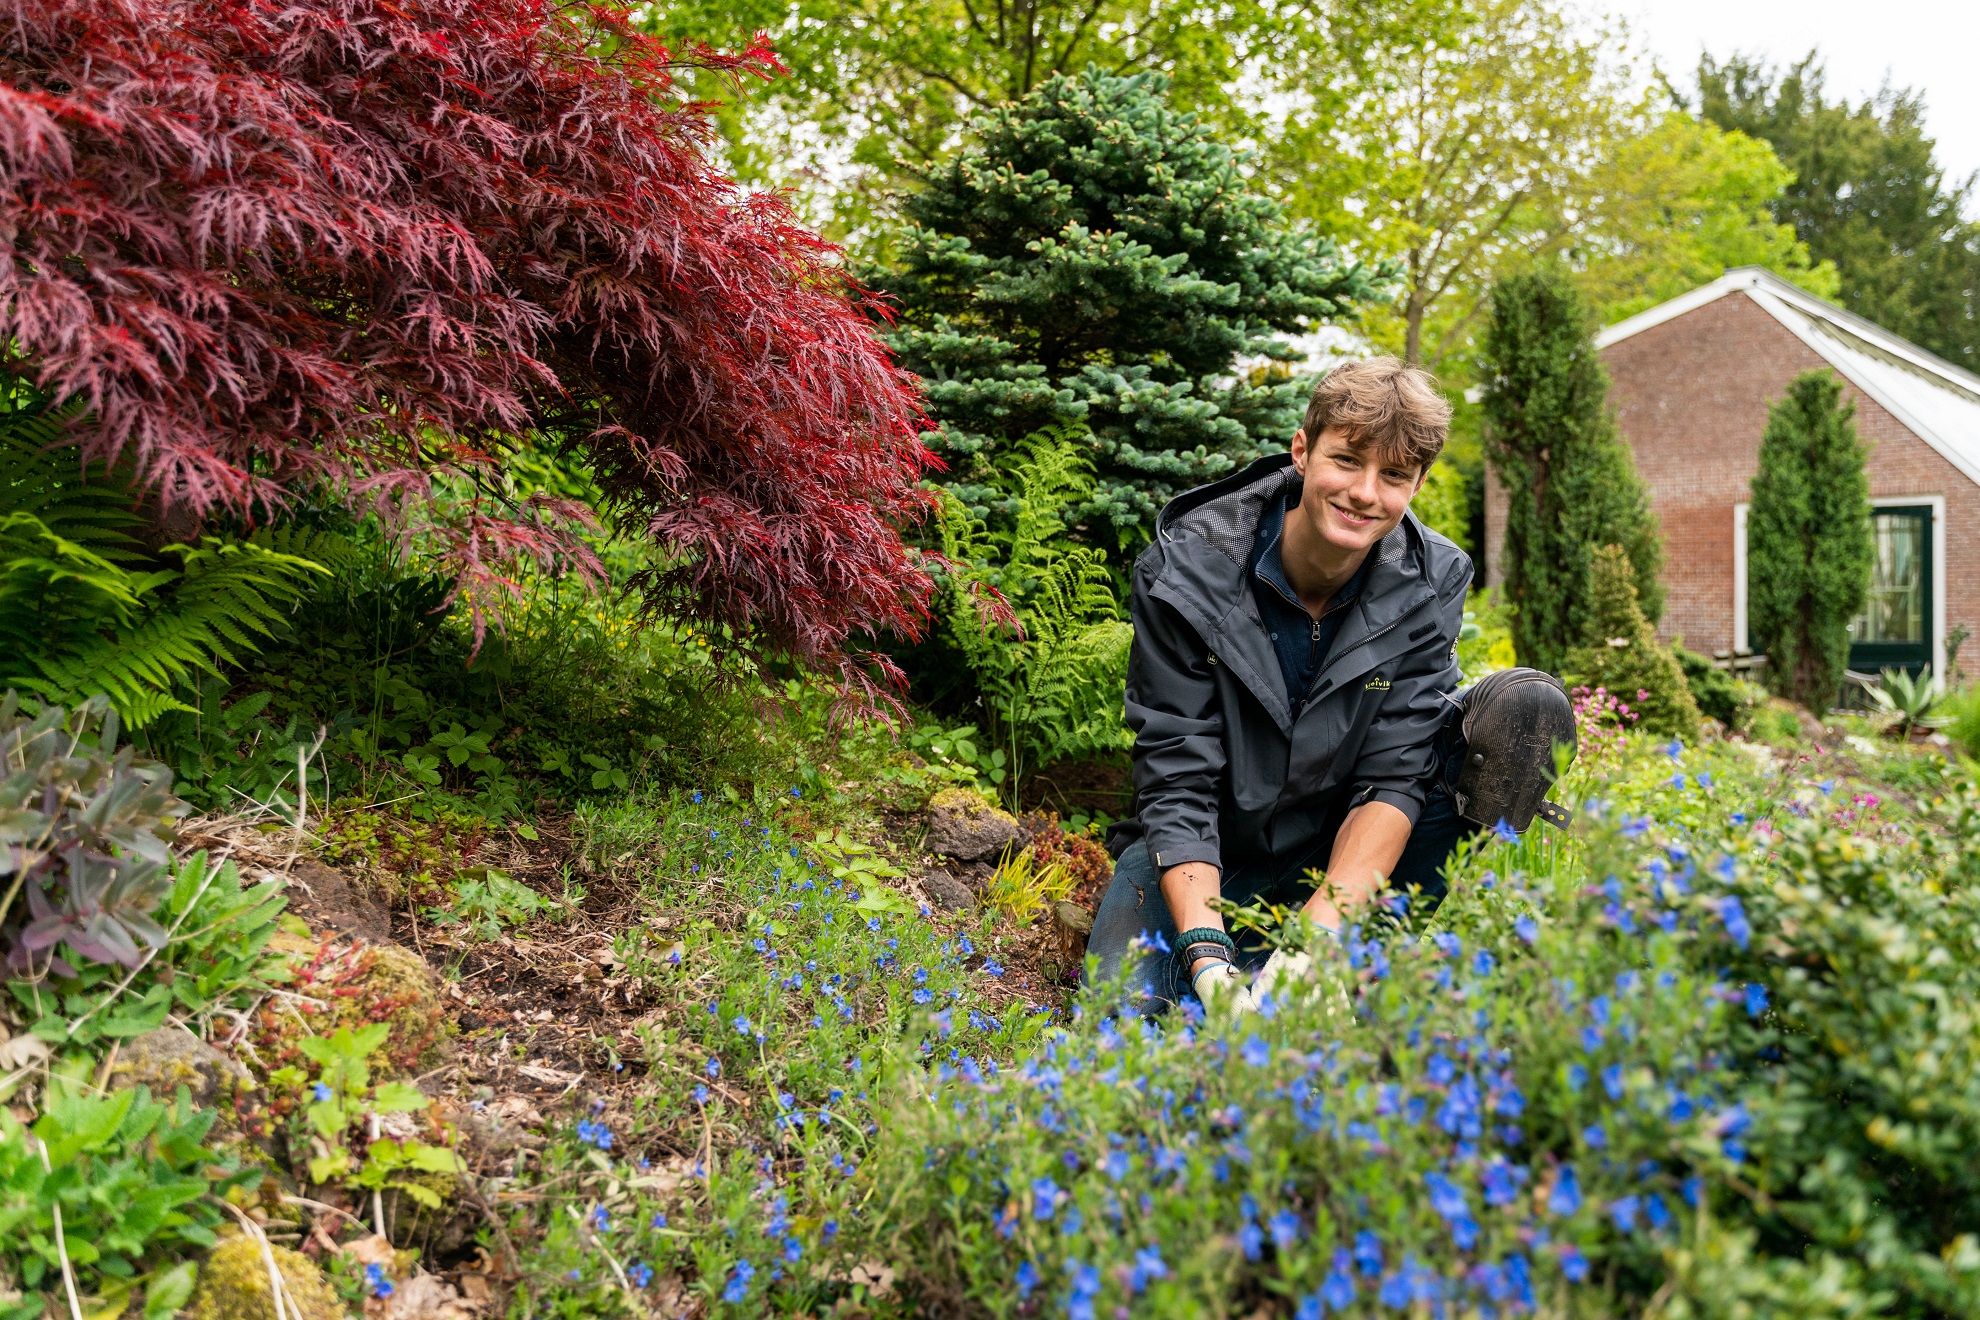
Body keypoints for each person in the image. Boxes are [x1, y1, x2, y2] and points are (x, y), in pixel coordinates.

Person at [1087, 357, 1569, 1012]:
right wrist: (1204, 954)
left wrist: (1314, 941)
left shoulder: (1432, 581)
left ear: (1418, 483)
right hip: (1211, 849)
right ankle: (1241, 965)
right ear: (1302, 451)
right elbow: (1178, 778)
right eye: (1346, 460)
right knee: (1123, 1025)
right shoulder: (1188, 572)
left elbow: (1395, 776)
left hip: (1345, 850)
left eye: (1393, 475)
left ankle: (1343, 960)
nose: (1365, 493)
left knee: (1527, 709)